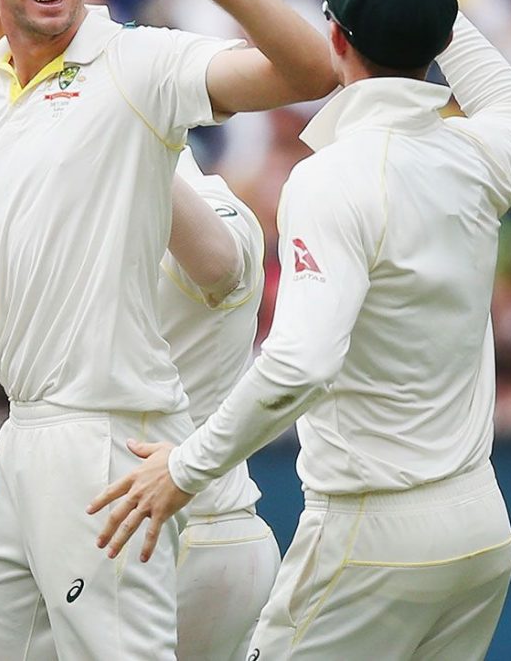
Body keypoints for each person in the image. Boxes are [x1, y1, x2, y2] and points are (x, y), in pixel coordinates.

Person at [91, 0, 511, 660]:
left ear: (335, 40)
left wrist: (184, 469)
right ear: (436, 43)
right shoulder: (486, 152)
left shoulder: (331, 178)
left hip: (372, 534)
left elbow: (299, 362)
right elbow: (510, 103)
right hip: (480, 526)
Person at [0, 0, 336, 659]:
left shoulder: (136, 64)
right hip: (21, 434)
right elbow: (2, 272)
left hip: (108, 436)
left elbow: (311, 70)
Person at [159, 149, 281, 661]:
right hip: (137, 529)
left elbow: (221, 266)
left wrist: (124, 137)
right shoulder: (77, 204)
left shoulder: (215, 205)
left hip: (202, 530)